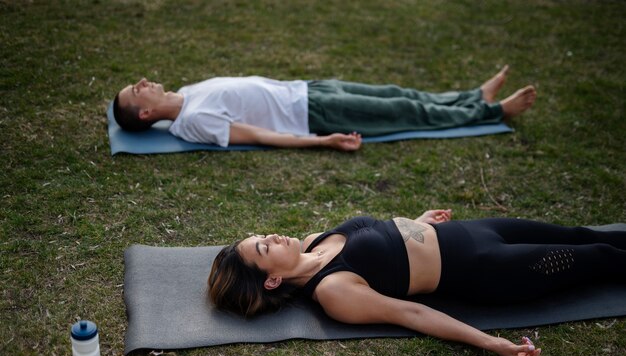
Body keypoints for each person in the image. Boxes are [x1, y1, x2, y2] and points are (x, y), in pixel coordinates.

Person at [207, 209, 625, 356]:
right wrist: (494, 345)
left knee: (586, 234)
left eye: (261, 234)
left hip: (477, 230)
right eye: (264, 247)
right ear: (273, 279)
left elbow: (387, 239)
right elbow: (413, 314)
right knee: (603, 259)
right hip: (491, 269)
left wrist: (416, 221)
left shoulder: (315, 240)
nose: (273, 236)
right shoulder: (332, 291)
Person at [113, 65, 536, 151]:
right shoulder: (193, 121)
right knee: (410, 113)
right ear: (146, 114)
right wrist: (321, 141)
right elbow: (258, 136)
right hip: (313, 116)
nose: (144, 82)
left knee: (396, 94)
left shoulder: (187, 90)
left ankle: (470, 97)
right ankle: (494, 113)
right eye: (138, 90)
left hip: (308, 89)